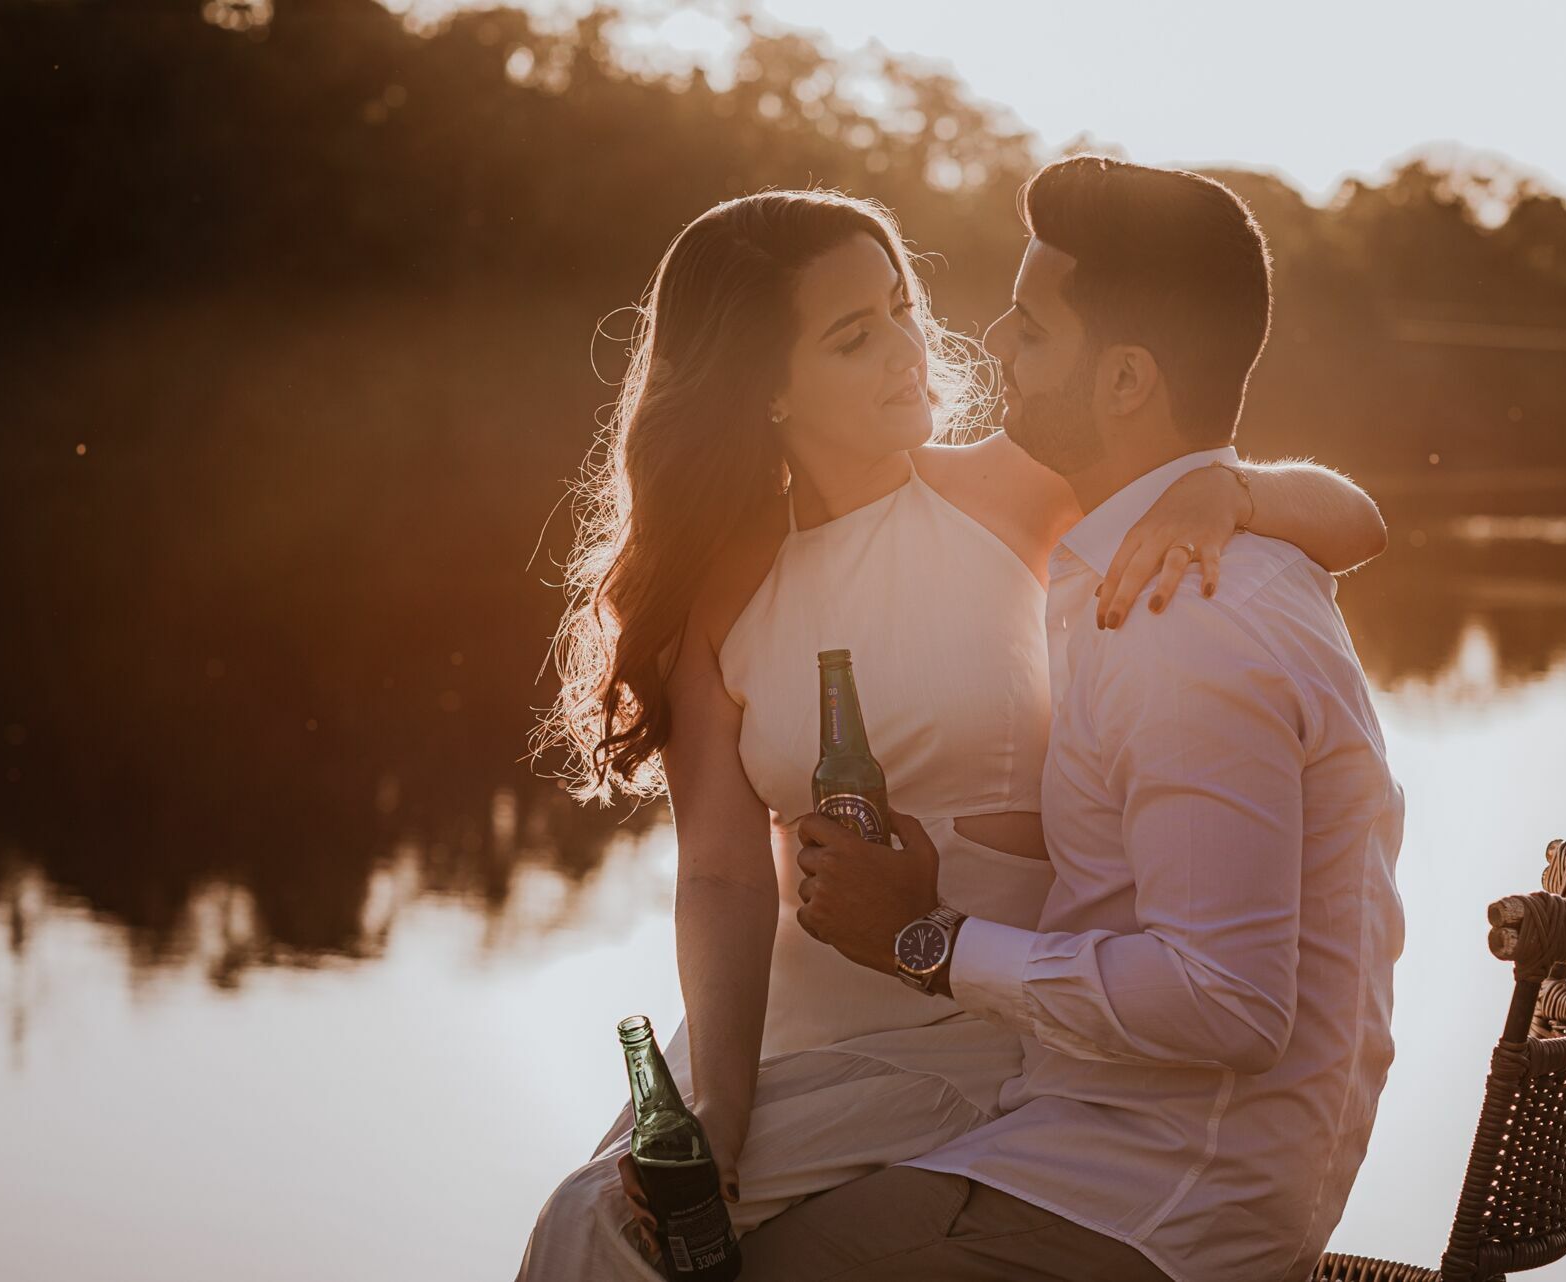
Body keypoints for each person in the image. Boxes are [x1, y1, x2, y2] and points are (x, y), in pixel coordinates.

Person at [517, 180, 1387, 1279]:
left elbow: (1358, 523)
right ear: (766, 389)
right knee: (610, 1222)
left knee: (592, 1239)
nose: (909, 350)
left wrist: (1232, 496)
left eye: (900, 307)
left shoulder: (1010, 491)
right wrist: (724, 1109)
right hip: (786, 1037)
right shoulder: (718, 588)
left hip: (986, 1026)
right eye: (853, 337)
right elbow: (727, 877)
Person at [767, 156, 1408, 1281]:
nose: (995, 347)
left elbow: (1227, 1004)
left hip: (1148, 1203)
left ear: (1122, 382)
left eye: (1029, 326)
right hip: (1092, 1137)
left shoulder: (1181, 619)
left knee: (720, 1254)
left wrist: (926, 941)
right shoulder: (1185, 552)